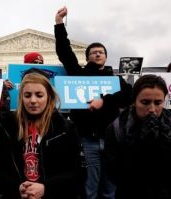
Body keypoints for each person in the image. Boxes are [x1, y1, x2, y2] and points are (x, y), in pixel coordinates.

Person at [54, 6, 132, 199]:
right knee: (89, 187)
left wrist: (104, 100)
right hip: (87, 140)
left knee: (110, 186)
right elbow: (65, 52)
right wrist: (58, 24)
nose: (98, 54)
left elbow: (129, 95)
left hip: (112, 140)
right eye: (94, 52)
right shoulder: (78, 74)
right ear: (88, 57)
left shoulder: (116, 80)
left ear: (106, 56)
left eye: (101, 52)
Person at [16, 70, 86, 199]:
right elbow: (0, 169)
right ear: (21, 98)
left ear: (49, 96)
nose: (32, 100)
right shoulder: (10, 127)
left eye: (39, 95)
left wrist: (46, 188)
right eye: (27, 95)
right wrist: (17, 188)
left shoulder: (66, 128)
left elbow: (79, 172)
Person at [105, 74, 171, 199]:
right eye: (145, 102)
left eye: (158, 103)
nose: (152, 109)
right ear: (134, 101)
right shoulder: (118, 128)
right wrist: (140, 146)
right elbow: (113, 173)